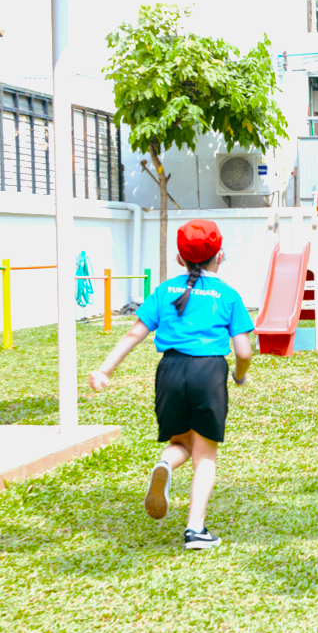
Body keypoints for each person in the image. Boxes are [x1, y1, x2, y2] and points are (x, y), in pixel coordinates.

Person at [87, 219, 254, 550]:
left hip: (170, 371)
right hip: (208, 372)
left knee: (181, 442)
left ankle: (165, 464)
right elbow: (244, 350)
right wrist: (239, 374)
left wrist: (105, 370)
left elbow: (135, 332)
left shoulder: (164, 291)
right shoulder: (228, 295)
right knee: (205, 455)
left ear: (179, 259)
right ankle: (195, 530)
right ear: (220, 256)